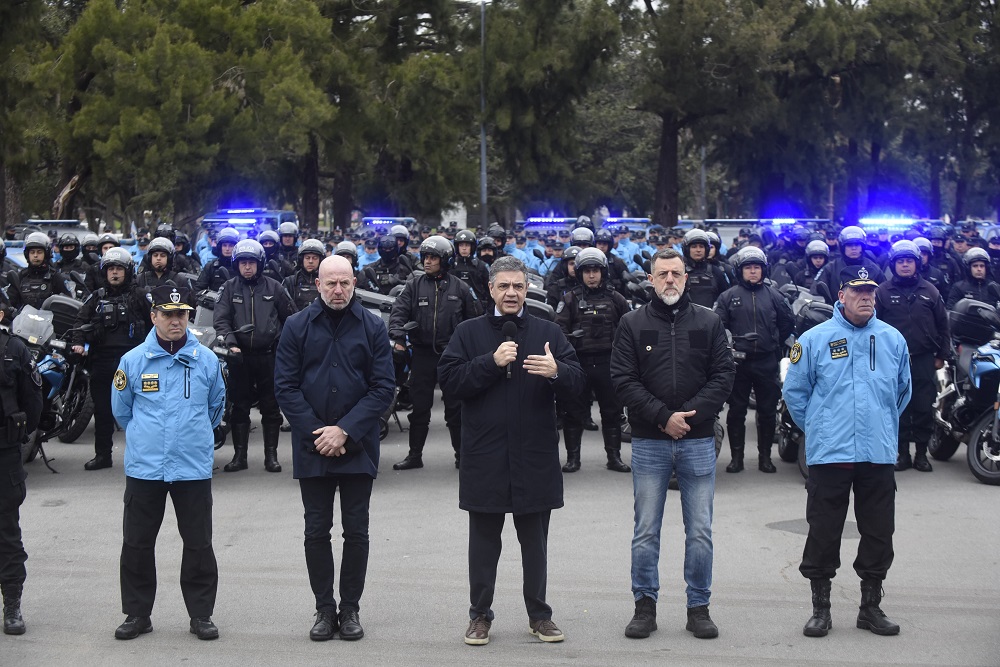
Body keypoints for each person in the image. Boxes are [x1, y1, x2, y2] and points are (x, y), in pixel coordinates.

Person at [438, 255, 584, 646]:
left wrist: (557, 373)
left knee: (535, 544)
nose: (511, 293)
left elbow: (579, 385)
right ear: (490, 290)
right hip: (485, 457)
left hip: (533, 456)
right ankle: (479, 616)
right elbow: (450, 381)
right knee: (484, 545)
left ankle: (540, 616)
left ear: (527, 289)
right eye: (503, 286)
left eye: (518, 286)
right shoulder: (468, 333)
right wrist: (490, 361)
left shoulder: (548, 331)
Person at [609, 248, 735, 641]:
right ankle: (644, 606)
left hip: (697, 441)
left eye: (675, 274)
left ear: (686, 277)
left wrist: (689, 417)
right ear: (650, 279)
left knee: (699, 530)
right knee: (646, 530)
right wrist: (663, 417)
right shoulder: (632, 323)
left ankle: (699, 608)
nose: (669, 280)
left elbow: (723, 376)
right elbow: (623, 378)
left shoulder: (710, 322)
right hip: (649, 442)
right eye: (661, 274)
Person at [782, 265, 912, 639]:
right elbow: (795, 392)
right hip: (830, 454)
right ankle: (820, 610)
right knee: (824, 531)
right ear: (841, 296)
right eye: (858, 291)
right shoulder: (813, 339)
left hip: (878, 454)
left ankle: (870, 607)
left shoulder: (893, 340)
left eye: (870, 290)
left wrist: (881, 424)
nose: (867, 296)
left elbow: (902, 393)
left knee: (878, 532)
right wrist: (821, 428)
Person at [274, 255, 395, 642]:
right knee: (316, 531)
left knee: (357, 531)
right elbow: (286, 388)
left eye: (345, 283)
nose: (338, 290)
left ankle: (351, 609)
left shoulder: (374, 327)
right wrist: (319, 434)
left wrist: (344, 431)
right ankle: (324, 609)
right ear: (318, 284)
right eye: (331, 283)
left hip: (357, 445)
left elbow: (383, 388)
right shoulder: (296, 326)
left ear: (355, 282)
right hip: (313, 447)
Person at [110, 285, 226, 641]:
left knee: (198, 544)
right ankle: (137, 614)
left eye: (182, 314)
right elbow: (122, 411)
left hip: (192, 467)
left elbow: (216, 408)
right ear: (154, 316)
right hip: (146, 468)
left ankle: (201, 615)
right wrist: (150, 440)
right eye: (168, 314)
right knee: (137, 543)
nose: (176, 320)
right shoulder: (132, 361)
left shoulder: (206, 360)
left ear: (189, 316)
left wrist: (188, 438)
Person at [388, 236, 481, 470]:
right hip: (422, 355)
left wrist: (471, 350)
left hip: (452, 357)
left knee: (456, 409)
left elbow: (476, 321)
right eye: (425, 257)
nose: (427, 262)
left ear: (445, 260)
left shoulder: (461, 288)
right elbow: (398, 313)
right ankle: (414, 455)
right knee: (419, 408)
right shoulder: (414, 285)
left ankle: (463, 456)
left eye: (433, 258)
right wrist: (398, 337)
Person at [213, 239, 296, 473]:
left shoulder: (275, 287)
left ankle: (271, 457)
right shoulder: (228, 288)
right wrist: (231, 344)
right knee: (239, 406)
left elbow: (291, 319)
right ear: (236, 264)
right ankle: (240, 457)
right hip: (240, 357)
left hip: (269, 357)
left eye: (251, 263)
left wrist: (283, 348)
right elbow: (221, 320)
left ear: (259, 264)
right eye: (242, 263)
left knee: (271, 406)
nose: (247, 267)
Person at [714, 247, 795, 473]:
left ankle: (765, 458)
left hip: (767, 361)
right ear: (740, 271)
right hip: (738, 363)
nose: (752, 272)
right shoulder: (728, 296)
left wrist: (774, 340)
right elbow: (719, 326)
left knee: (768, 411)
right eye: (748, 268)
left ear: (763, 270)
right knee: (737, 410)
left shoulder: (775, 296)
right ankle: (736, 458)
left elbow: (787, 323)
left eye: (756, 267)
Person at [72, 248, 151, 470]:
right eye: (111, 269)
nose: (114, 273)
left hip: (135, 363)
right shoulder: (96, 297)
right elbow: (79, 322)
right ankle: (103, 456)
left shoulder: (140, 295)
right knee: (103, 411)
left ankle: (143, 458)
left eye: (119, 269)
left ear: (128, 271)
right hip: (103, 361)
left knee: (142, 411)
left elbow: (156, 323)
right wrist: (78, 343)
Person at [554, 248, 631, 473]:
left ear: (603, 272)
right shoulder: (570, 299)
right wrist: (570, 338)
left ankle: (614, 458)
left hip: (608, 363)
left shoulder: (616, 298)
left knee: (612, 412)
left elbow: (629, 329)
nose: (591, 275)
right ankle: (573, 459)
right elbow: (558, 329)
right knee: (573, 412)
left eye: (595, 270)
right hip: (579, 364)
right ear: (579, 273)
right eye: (587, 271)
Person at [876, 240, 950, 473]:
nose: (905, 265)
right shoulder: (882, 292)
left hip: (923, 358)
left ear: (917, 264)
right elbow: (872, 327)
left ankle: (921, 454)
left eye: (909, 261)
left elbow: (943, 326)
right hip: (892, 360)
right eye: (900, 261)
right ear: (893, 264)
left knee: (922, 406)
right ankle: (902, 454)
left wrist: (942, 355)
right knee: (897, 407)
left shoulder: (930, 291)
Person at [0, 306, 44, 635]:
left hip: (4, 453)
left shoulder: (14, 348)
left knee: (6, 535)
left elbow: (33, 401)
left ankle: (12, 604)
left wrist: (19, 437)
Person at [7, 232, 72, 313]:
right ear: (27, 254)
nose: (35, 255)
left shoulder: (55, 277)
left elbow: (67, 305)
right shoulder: (20, 276)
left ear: (46, 254)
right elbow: (9, 302)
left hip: (50, 324)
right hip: (23, 323)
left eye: (39, 252)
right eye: (32, 252)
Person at [681, 229, 729, 308]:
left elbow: (725, 299)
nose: (698, 250)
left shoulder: (716, 272)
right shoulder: (680, 271)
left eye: (701, 246)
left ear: (706, 249)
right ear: (687, 249)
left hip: (711, 318)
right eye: (694, 247)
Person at [194, 227, 240, 292]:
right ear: (220, 247)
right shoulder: (211, 266)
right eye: (224, 245)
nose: (227, 249)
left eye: (230, 246)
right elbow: (198, 289)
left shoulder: (240, 266)